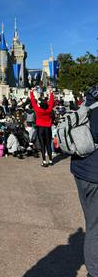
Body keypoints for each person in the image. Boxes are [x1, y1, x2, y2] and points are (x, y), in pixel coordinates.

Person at [71, 86, 98, 277]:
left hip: (80, 170)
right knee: (95, 228)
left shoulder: (86, 103)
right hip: (94, 174)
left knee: (92, 221)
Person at [30, 87, 54, 167]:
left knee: (42, 145)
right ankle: (50, 160)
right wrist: (51, 92)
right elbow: (51, 101)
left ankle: (44, 161)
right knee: (48, 144)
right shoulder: (49, 109)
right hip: (47, 128)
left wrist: (31, 92)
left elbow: (33, 102)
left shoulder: (38, 110)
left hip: (40, 128)